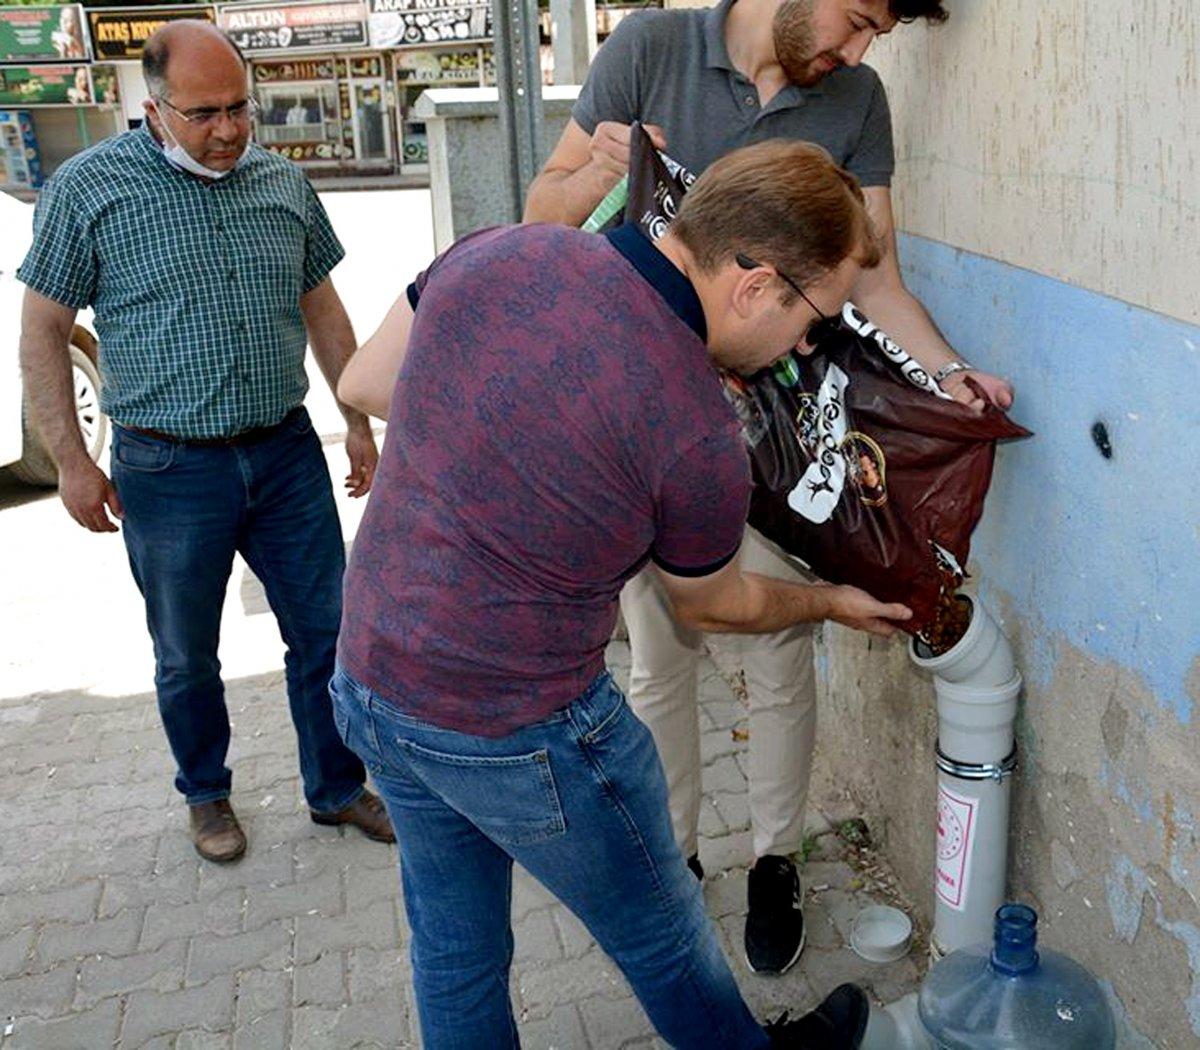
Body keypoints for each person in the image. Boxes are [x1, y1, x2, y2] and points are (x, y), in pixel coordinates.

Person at [333, 140, 910, 1048]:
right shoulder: (695, 431)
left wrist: (515, 437)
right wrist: (833, 601)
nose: (809, 343)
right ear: (753, 285)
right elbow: (712, 606)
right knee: (665, 938)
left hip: (373, 678)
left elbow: (363, 382)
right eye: (815, 317)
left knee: (454, 949)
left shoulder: (505, 249)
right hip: (521, 729)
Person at [524, 0, 1017, 976]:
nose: (858, 46)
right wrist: (586, 172)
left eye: (878, 32)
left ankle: (774, 862)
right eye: (859, 16)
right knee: (662, 650)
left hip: (779, 452)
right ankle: (675, 857)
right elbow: (544, 220)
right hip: (651, 426)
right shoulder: (648, 48)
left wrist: (947, 377)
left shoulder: (857, 101)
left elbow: (873, 281)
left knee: (781, 645)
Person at [17, 21, 394, 863]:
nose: (228, 130)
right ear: (153, 108)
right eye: (203, 114)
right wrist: (72, 461)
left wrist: (358, 417)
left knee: (330, 632)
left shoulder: (280, 183)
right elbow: (41, 331)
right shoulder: (90, 189)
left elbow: (323, 309)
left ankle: (335, 787)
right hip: (166, 468)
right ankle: (207, 796)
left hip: (287, 453)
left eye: (239, 109)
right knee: (187, 654)